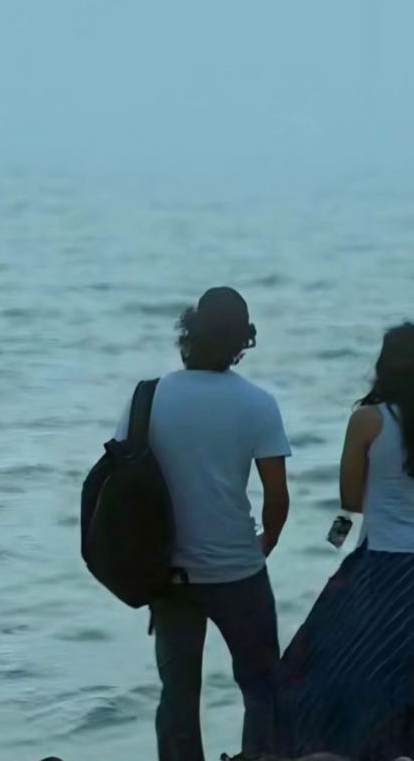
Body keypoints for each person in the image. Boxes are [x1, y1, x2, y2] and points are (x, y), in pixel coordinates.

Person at [114, 287, 291, 761]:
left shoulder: (147, 398)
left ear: (189, 333)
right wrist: (264, 543)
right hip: (238, 570)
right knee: (262, 689)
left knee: (178, 698)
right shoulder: (257, 404)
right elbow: (277, 497)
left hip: (170, 574)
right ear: (242, 343)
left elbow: (120, 487)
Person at [273, 322, 414, 761]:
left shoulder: (368, 421)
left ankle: (327, 749)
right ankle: (403, 751)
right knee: (411, 673)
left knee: (314, 663)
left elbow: (351, 499)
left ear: (384, 366)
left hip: (384, 562)